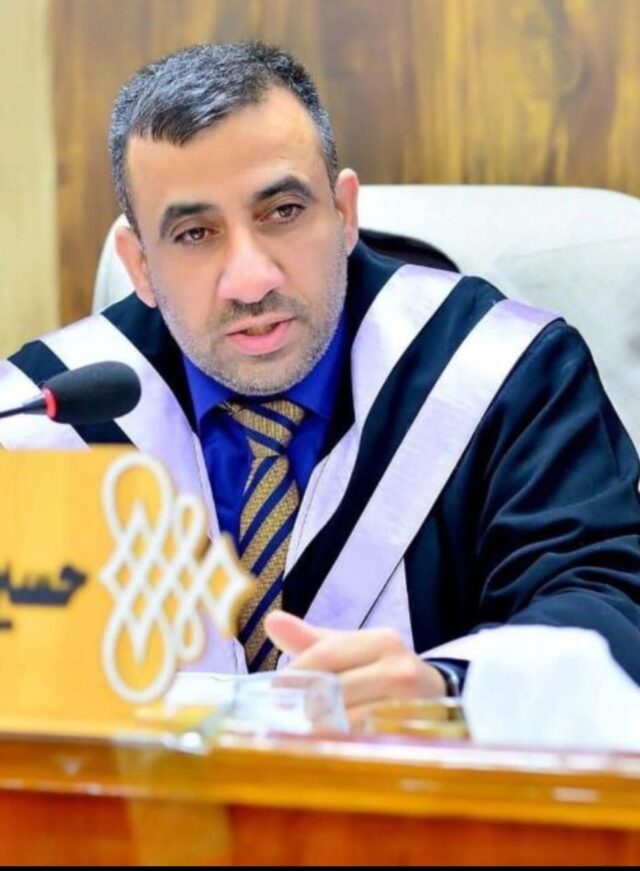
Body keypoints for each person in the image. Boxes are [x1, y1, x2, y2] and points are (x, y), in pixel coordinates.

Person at [2, 42, 640, 726]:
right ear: (139, 266)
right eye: (194, 233)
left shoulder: (507, 374)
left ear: (343, 212)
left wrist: (449, 685)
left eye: (282, 212)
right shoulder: (38, 418)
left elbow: (608, 603)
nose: (251, 280)